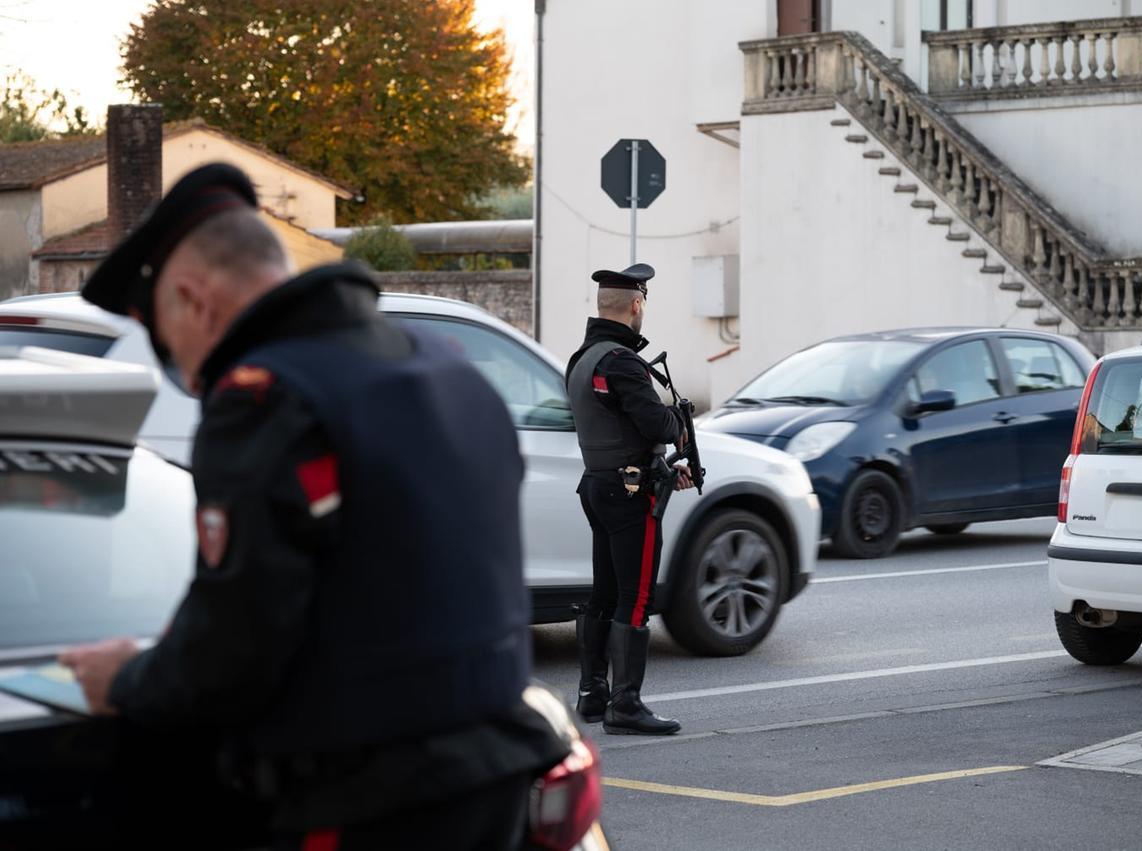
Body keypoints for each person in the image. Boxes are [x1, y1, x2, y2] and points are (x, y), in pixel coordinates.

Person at [59, 163, 567, 849]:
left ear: (192, 299)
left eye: (167, 344)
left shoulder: (267, 399)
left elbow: (233, 651)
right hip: (497, 783)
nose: (183, 373)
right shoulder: (447, 367)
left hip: (365, 804)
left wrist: (128, 678)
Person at [565, 262, 692, 737]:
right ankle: (626, 704)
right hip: (629, 493)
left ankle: (592, 692)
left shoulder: (582, 359)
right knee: (635, 597)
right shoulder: (621, 361)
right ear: (636, 305)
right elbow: (656, 426)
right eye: (643, 304)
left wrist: (662, 467)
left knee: (604, 592)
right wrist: (677, 423)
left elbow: (613, 427)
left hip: (598, 485)